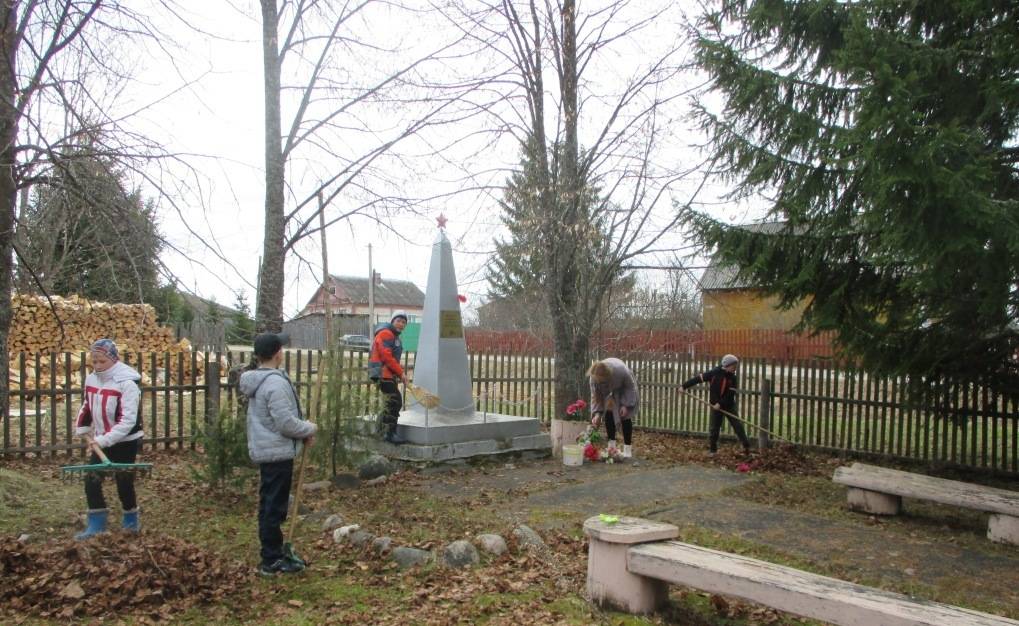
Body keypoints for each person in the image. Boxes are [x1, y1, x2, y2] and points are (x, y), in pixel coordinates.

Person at [240, 332, 317, 576]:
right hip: (276, 452)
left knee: (270, 504)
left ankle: (272, 551)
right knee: (274, 506)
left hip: (268, 450)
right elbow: (285, 423)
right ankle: (271, 559)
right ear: (277, 354)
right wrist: (309, 428)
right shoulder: (274, 383)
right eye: (282, 349)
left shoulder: (261, 380)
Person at [73, 339, 145, 539]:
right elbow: (88, 405)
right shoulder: (91, 379)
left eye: (102, 361)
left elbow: (128, 421)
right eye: (94, 361)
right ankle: (97, 524)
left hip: (125, 440)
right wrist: (82, 426)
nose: (97, 366)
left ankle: (131, 521)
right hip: (101, 439)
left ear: (113, 359)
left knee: (123, 481)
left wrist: (103, 440)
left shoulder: (127, 383)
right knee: (92, 479)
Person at [682, 354, 752, 455]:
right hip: (715, 406)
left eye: (736, 366)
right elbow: (697, 379)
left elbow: (730, 394)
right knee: (714, 428)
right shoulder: (714, 373)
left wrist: (720, 403)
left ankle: (746, 447)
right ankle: (713, 450)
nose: (735, 369)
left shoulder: (733, 378)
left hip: (728, 405)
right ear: (727, 365)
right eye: (733, 366)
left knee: (738, 426)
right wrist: (684, 386)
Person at [368, 311, 409, 445]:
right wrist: (401, 373)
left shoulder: (393, 336)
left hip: (386, 374)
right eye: (399, 320)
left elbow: (389, 357)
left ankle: (380, 430)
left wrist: (398, 369)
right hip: (383, 374)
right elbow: (386, 357)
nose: (401, 324)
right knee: (395, 402)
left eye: (404, 322)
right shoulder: (386, 333)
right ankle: (389, 434)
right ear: (392, 321)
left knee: (390, 403)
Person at [588, 358, 640, 458]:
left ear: (606, 376)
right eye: (597, 381)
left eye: (601, 381)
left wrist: (626, 405)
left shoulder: (620, 371)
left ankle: (627, 449)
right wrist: (597, 413)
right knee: (609, 413)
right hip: (608, 394)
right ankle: (611, 447)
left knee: (625, 416)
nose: (598, 382)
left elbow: (630, 387)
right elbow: (595, 396)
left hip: (623, 389)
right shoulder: (593, 378)